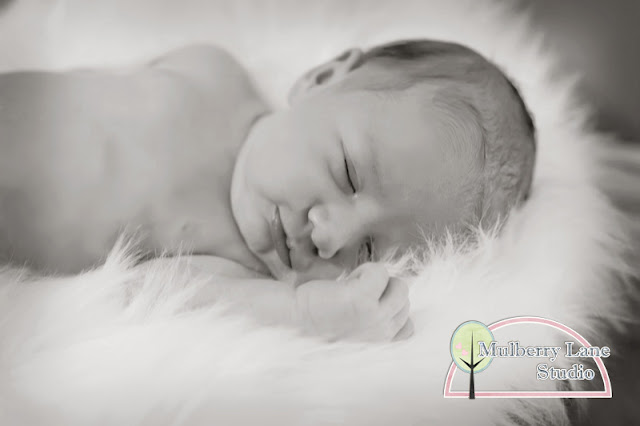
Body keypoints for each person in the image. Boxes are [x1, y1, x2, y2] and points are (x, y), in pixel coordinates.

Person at [0, 39, 535, 341]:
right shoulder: (213, 68)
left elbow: (143, 293)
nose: (330, 236)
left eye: (368, 251)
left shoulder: (236, 257)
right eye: (348, 173)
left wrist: (304, 311)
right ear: (322, 76)